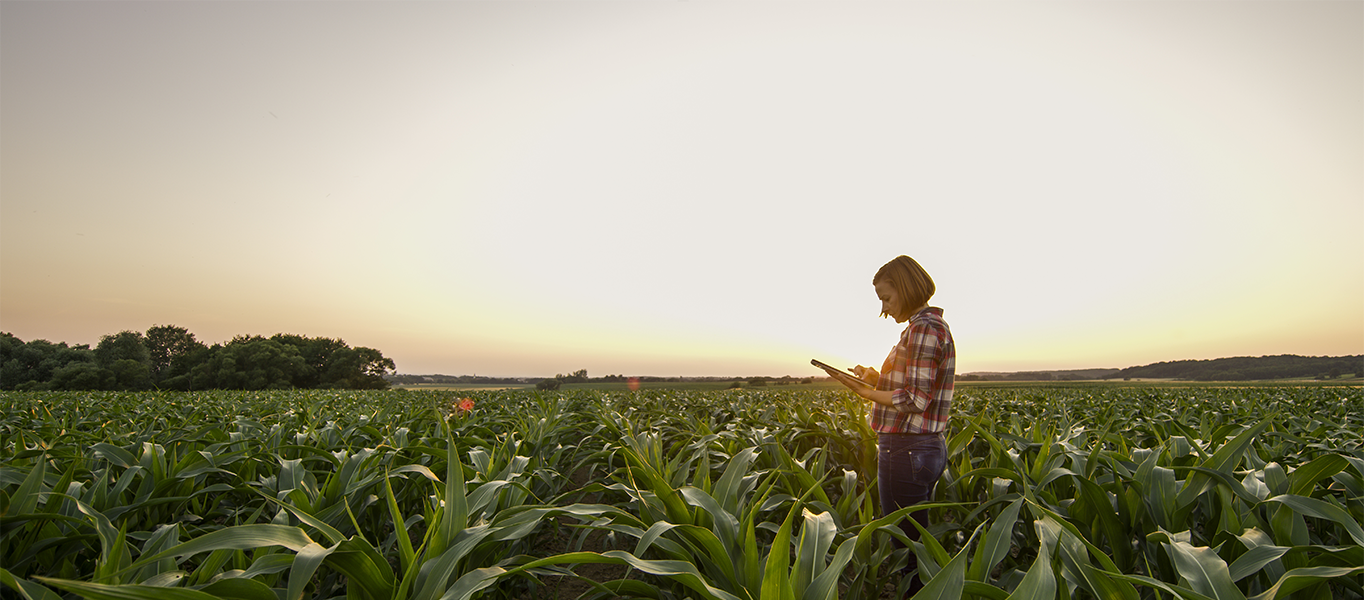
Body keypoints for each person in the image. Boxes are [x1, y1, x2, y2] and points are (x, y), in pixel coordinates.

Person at [819, 255, 955, 595]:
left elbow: (914, 400)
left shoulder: (924, 329)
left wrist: (865, 391)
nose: (883, 308)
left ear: (906, 289)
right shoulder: (926, 327)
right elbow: (916, 388)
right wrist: (876, 379)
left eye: (886, 297)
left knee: (907, 550)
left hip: (907, 448)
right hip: (923, 447)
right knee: (914, 541)